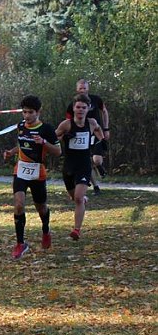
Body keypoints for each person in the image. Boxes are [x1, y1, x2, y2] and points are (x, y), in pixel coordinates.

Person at [2, 95, 61, 258]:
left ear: (38, 112)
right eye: (24, 112)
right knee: (19, 204)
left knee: (41, 207)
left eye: (30, 112)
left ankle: (46, 230)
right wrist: (11, 152)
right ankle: (20, 243)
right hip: (20, 170)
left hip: (37, 172)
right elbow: (22, 144)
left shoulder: (46, 129)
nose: (26, 116)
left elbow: (58, 151)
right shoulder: (21, 126)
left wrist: (43, 142)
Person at [56, 94, 104, 241]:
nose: (81, 110)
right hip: (69, 165)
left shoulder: (92, 122)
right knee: (74, 197)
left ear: (88, 108)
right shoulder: (66, 124)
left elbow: (98, 130)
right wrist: (64, 137)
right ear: (73, 108)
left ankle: (76, 230)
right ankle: (82, 200)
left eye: (84, 107)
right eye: (78, 107)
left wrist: (101, 142)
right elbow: (54, 138)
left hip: (84, 165)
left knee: (78, 198)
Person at [65, 79, 110, 194]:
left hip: (95, 133)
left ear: (88, 88)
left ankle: (99, 167)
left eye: (84, 88)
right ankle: (96, 187)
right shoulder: (72, 105)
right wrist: (69, 133)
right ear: (77, 89)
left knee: (96, 160)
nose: (82, 90)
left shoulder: (96, 99)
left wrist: (106, 128)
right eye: (80, 88)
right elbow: (68, 121)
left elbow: (104, 111)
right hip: (81, 136)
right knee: (86, 163)